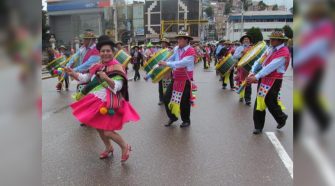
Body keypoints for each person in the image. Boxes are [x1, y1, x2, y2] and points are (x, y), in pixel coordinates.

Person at [64, 36, 140, 161]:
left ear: (113, 52)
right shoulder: (97, 65)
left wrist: (107, 78)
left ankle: (125, 147)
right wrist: (73, 73)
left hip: (110, 103)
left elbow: (118, 86)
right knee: (98, 127)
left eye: (108, 51)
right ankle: (108, 147)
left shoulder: (117, 67)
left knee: (108, 132)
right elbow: (86, 78)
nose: (105, 53)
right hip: (96, 101)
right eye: (103, 51)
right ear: (99, 53)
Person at [246, 30, 290, 134]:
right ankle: (258, 126)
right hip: (264, 78)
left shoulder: (284, 52)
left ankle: (281, 117)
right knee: (260, 101)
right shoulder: (270, 49)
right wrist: (252, 71)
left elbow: (270, 67)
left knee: (270, 102)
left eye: (273, 39)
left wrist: (256, 76)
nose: (270, 40)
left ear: (280, 40)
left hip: (275, 80)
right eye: (270, 38)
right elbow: (259, 61)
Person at [158, 31, 196, 128]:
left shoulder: (191, 51)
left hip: (186, 79)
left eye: (180, 39)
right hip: (176, 78)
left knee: (184, 102)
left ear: (186, 40)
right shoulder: (176, 49)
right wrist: (163, 62)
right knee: (166, 98)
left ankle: (186, 120)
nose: (178, 40)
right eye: (178, 38)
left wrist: (166, 64)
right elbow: (172, 58)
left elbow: (181, 63)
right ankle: (173, 117)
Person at [233, 35, 253, 105]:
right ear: (242, 41)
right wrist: (241, 53)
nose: (246, 40)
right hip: (241, 67)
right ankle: (241, 96)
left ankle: (248, 99)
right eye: (245, 39)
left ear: (250, 41)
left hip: (249, 68)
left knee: (248, 83)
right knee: (241, 82)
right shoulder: (239, 48)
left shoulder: (252, 48)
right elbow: (234, 56)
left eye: (247, 39)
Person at [158, 38, 172, 105]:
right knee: (160, 86)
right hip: (160, 71)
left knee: (168, 86)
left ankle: (168, 99)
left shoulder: (170, 51)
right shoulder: (159, 51)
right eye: (162, 43)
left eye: (164, 43)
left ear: (167, 44)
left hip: (167, 70)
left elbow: (172, 62)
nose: (162, 44)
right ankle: (161, 99)